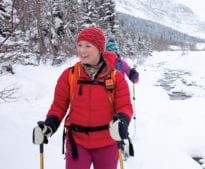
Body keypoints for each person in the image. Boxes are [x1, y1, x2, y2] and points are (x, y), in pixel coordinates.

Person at [32, 26, 133, 169]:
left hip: (108, 142)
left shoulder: (116, 77)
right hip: (77, 142)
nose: (82, 50)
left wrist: (122, 121)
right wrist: (49, 126)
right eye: (79, 45)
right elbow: (58, 107)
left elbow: (125, 106)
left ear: (99, 48)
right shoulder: (70, 75)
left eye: (87, 46)